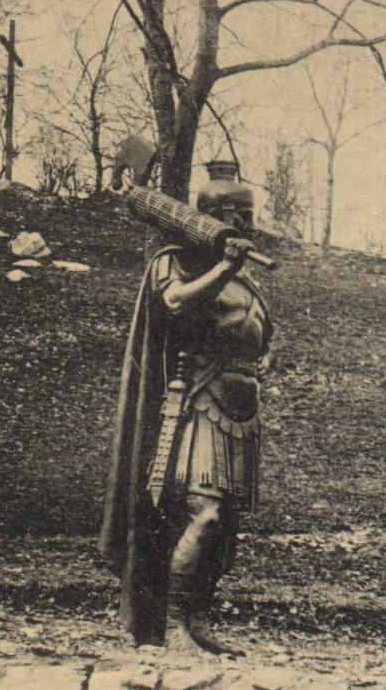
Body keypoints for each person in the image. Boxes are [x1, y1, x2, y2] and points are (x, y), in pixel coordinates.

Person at [101, 174, 269, 657]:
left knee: (226, 523)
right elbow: (175, 300)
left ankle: (198, 620)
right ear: (225, 217)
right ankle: (172, 627)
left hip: (240, 411)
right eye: (243, 215)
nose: (249, 226)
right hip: (198, 402)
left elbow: (254, 333)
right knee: (204, 514)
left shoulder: (247, 275)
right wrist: (221, 268)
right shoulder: (176, 260)